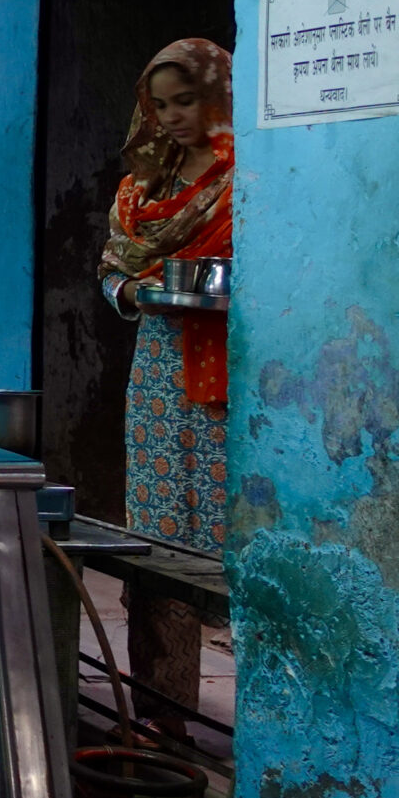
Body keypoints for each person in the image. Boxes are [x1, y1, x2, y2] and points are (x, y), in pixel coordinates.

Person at [96, 37, 234, 729]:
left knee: (224, 534)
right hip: (156, 372)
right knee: (156, 537)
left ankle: (259, 727)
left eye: (188, 100)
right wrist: (133, 294)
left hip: (227, 379)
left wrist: (221, 291)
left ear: (218, 93)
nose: (176, 116)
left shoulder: (251, 181)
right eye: (162, 104)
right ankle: (162, 713)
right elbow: (112, 268)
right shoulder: (146, 184)